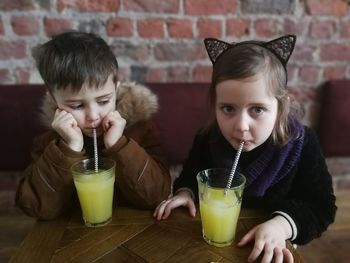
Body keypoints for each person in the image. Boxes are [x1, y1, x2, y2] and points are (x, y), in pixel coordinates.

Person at [154, 35, 337, 263]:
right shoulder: (208, 138)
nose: (241, 126)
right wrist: (185, 192)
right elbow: (192, 175)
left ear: (280, 108)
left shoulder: (302, 142)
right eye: (228, 108)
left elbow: (321, 207)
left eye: (257, 110)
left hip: (271, 246)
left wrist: (281, 227)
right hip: (209, 240)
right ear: (214, 105)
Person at [16, 31, 171, 219]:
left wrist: (118, 146)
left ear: (115, 88)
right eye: (77, 105)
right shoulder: (50, 140)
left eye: (104, 101)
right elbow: (36, 208)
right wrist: (68, 149)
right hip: (69, 237)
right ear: (54, 99)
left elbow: (157, 196)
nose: (93, 116)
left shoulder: (141, 129)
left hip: (135, 232)